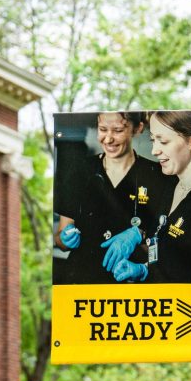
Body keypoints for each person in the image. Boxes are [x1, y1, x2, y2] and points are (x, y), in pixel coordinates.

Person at [109, 111, 191, 284]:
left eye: (163, 141)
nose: (154, 151)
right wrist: (144, 270)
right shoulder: (171, 182)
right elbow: (175, 256)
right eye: (153, 140)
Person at [53, 112, 174, 284]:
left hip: (131, 283)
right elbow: (60, 240)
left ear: (137, 128)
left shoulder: (159, 177)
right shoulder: (79, 172)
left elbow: (170, 248)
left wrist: (140, 237)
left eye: (118, 130)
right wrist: (65, 239)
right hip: (81, 281)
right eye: (103, 129)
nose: (108, 139)